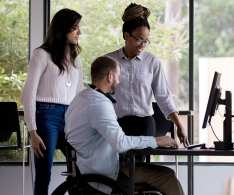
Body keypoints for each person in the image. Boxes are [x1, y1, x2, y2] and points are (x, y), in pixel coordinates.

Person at [64, 56, 185, 195]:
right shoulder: (99, 104)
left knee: (168, 172)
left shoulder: (80, 99)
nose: (119, 81)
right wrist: (155, 141)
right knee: (168, 177)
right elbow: (120, 143)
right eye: (118, 76)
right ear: (110, 76)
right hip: (103, 171)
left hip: (90, 164)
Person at [105, 3, 189, 155]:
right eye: (139, 40)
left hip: (144, 124)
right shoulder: (109, 61)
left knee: (139, 171)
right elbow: (99, 96)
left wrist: (179, 125)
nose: (143, 45)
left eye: (146, 40)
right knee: (117, 170)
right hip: (116, 124)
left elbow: (163, 96)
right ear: (126, 36)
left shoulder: (152, 61)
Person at [20, 8, 83, 195]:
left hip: (71, 118)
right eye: (75, 28)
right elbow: (28, 94)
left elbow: (79, 95)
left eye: (79, 27)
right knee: (43, 175)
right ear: (62, 29)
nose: (79, 32)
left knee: (80, 169)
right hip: (46, 116)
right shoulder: (41, 55)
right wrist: (32, 131)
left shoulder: (75, 59)